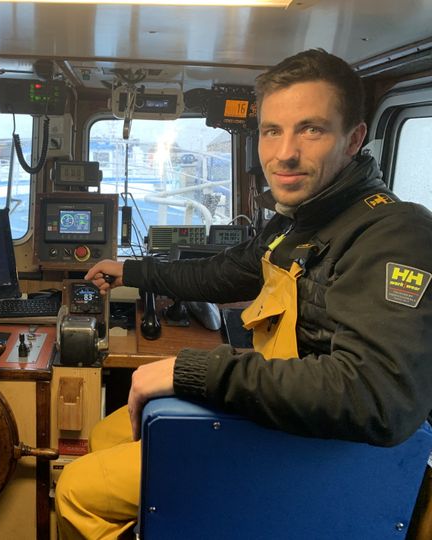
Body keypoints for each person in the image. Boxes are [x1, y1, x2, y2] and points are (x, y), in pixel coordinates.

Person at [54, 48, 432, 540]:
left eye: (311, 129)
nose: (284, 153)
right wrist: (131, 270)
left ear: (353, 138)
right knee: (109, 431)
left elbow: (377, 396)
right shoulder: (303, 221)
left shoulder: (394, 232)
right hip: (277, 416)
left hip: (314, 449)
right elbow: (222, 274)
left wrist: (193, 370)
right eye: (272, 131)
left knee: (77, 489)